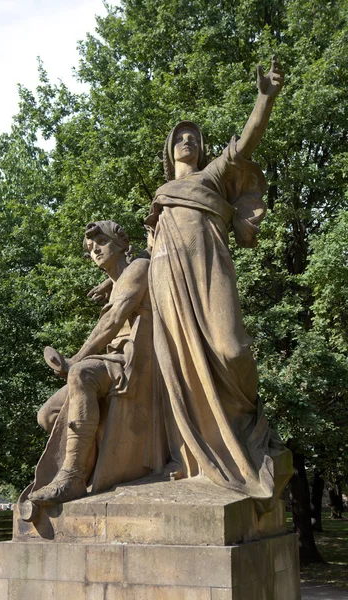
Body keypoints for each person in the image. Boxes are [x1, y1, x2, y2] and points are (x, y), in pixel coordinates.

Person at [145, 57, 292, 511]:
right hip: (168, 280)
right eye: (179, 138)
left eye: (194, 138)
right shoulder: (161, 201)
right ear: (169, 154)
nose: (187, 141)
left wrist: (264, 98)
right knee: (179, 371)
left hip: (211, 272)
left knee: (233, 350)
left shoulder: (210, 177)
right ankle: (190, 456)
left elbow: (246, 143)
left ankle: (248, 430)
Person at [28, 221, 152, 505]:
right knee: (48, 415)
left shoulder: (139, 270)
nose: (94, 250)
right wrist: (110, 282)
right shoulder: (119, 280)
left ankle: (72, 477)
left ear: (122, 244)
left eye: (101, 242)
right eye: (89, 247)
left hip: (133, 359)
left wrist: (75, 360)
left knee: (82, 373)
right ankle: (100, 465)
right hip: (111, 360)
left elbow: (113, 320)